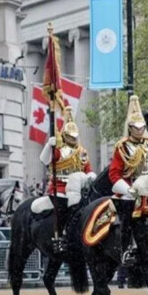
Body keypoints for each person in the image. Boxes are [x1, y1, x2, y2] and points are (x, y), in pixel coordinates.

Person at [108, 95, 148, 267]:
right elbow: (114, 174)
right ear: (130, 128)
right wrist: (127, 190)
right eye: (136, 128)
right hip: (131, 189)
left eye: (142, 127)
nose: (140, 131)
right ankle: (126, 249)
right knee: (127, 218)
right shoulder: (122, 147)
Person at [37, 106, 94, 249]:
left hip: (79, 187)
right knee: (62, 209)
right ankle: (62, 235)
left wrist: (91, 176)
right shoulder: (58, 151)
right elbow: (44, 160)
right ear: (64, 135)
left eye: (75, 137)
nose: (73, 140)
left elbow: (88, 169)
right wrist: (48, 146)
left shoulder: (82, 152)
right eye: (70, 137)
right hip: (60, 186)